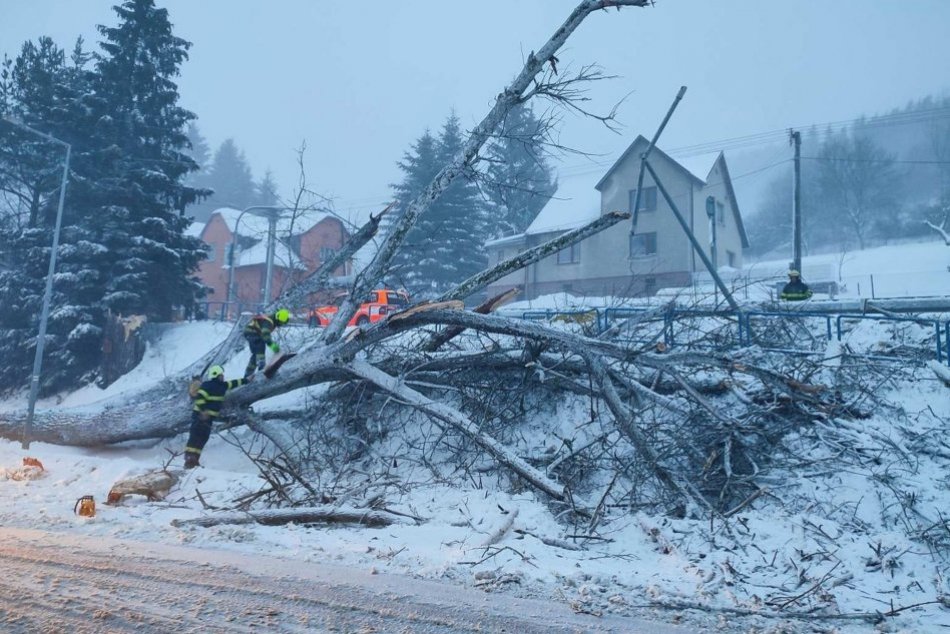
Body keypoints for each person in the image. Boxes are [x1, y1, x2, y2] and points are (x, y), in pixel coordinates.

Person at [184, 365, 250, 469]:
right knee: (195, 437)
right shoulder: (207, 385)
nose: (223, 377)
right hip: (199, 416)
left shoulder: (222, 386)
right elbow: (200, 398)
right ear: (216, 375)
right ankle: (189, 459)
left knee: (203, 438)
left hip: (209, 418)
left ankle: (195, 459)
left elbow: (233, 383)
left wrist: (246, 380)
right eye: (221, 375)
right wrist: (203, 411)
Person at [243, 308, 289, 378]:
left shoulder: (272, 319)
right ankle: (261, 367)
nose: (281, 324)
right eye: (280, 322)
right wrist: (273, 346)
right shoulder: (269, 321)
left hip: (251, 332)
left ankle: (247, 375)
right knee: (260, 346)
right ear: (277, 319)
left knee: (255, 355)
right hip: (252, 332)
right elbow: (265, 334)